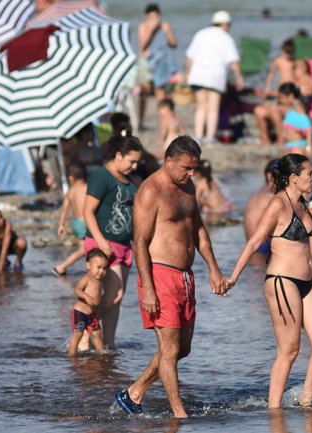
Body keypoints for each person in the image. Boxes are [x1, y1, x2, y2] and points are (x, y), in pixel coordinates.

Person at [113, 136, 228, 418]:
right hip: (160, 275)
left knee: (181, 349)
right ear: (169, 162)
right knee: (169, 348)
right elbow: (139, 242)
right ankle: (179, 414)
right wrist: (148, 288)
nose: (191, 174)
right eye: (187, 168)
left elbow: (198, 229)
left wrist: (213, 267)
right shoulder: (151, 191)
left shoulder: (187, 186)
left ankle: (134, 392)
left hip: (185, 277)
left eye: (194, 168)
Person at [227, 154, 312, 408]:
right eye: (310, 174)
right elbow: (254, 241)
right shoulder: (278, 204)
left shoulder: (303, 203)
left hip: (306, 285)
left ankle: (306, 402)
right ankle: (274, 413)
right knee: (289, 350)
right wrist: (232, 277)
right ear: (294, 178)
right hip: (283, 281)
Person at [82, 135, 143, 349]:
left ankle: (108, 343)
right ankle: (82, 331)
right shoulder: (102, 176)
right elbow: (87, 211)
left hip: (124, 246)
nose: (134, 166)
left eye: (137, 162)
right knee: (114, 295)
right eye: (131, 161)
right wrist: (101, 242)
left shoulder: (128, 181)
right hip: (103, 245)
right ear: (118, 155)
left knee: (116, 300)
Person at [185, 10, 244, 145]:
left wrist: (187, 73)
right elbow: (233, 60)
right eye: (228, 25)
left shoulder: (201, 33)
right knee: (213, 108)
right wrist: (239, 77)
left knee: (201, 106)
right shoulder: (225, 37)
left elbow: (190, 57)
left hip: (198, 74)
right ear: (224, 24)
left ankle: (199, 135)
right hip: (215, 76)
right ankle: (210, 137)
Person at [137, 3, 178, 129]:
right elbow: (143, 45)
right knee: (144, 93)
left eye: (156, 17)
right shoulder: (143, 26)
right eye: (151, 17)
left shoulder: (164, 26)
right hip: (146, 64)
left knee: (163, 94)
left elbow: (174, 44)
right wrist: (152, 30)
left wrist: (168, 32)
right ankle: (140, 122)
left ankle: (165, 123)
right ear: (146, 17)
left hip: (161, 63)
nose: (154, 20)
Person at [68, 249, 109, 355]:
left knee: (97, 333)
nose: (101, 271)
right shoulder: (87, 278)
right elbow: (77, 290)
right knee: (78, 334)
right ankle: (71, 355)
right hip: (80, 313)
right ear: (88, 265)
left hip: (91, 315)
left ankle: (102, 353)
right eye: (98, 267)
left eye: (105, 268)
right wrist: (86, 296)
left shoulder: (100, 281)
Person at [52, 162, 88, 276]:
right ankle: (61, 267)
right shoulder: (88, 188)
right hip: (87, 222)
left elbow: (64, 210)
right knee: (90, 248)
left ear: (71, 178)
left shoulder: (70, 191)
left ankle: (62, 267)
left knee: (83, 249)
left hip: (76, 223)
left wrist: (61, 225)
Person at [243, 159, 276, 263]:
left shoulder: (260, 193)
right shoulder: (271, 196)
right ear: (269, 175)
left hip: (253, 244)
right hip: (262, 244)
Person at [279, 83, 312, 156]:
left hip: (297, 147)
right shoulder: (292, 108)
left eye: (282, 98)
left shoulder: (298, 107)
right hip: (290, 146)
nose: (281, 100)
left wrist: (309, 147)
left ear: (291, 96)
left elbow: (307, 126)